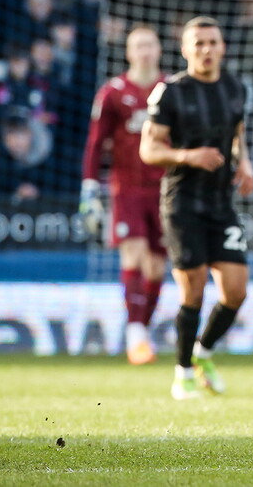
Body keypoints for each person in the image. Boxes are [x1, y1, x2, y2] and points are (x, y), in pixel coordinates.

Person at [139, 16, 253, 400]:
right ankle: (183, 371)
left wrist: (245, 163)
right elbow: (149, 148)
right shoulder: (170, 92)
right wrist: (189, 155)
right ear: (186, 50)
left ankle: (203, 351)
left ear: (223, 47)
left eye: (212, 42)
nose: (206, 49)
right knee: (193, 290)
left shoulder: (236, 87)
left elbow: (237, 132)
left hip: (222, 202)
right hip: (183, 201)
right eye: (199, 43)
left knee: (236, 291)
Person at [80, 25, 168, 365]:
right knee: (133, 255)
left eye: (150, 44)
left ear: (158, 50)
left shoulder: (170, 89)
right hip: (126, 187)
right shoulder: (113, 92)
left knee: (157, 267)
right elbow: (95, 141)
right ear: (129, 52)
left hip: (165, 189)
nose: (145, 51)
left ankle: (140, 332)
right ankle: (135, 335)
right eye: (139, 46)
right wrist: (90, 185)